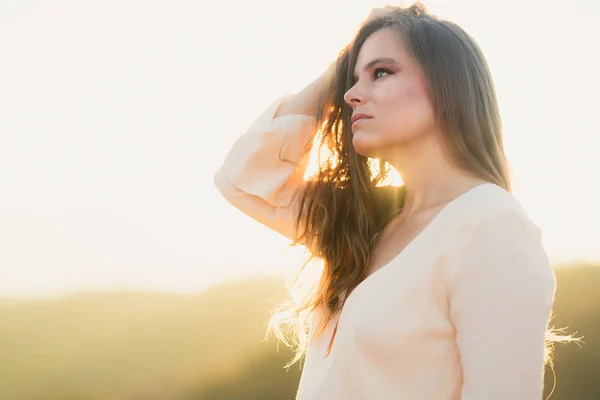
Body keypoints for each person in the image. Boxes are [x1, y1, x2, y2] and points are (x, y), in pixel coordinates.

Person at [214, 3, 572, 399]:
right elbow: (244, 178)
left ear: (446, 85)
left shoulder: (490, 226)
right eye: (350, 80)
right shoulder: (368, 222)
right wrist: (340, 66)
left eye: (381, 72)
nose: (350, 95)